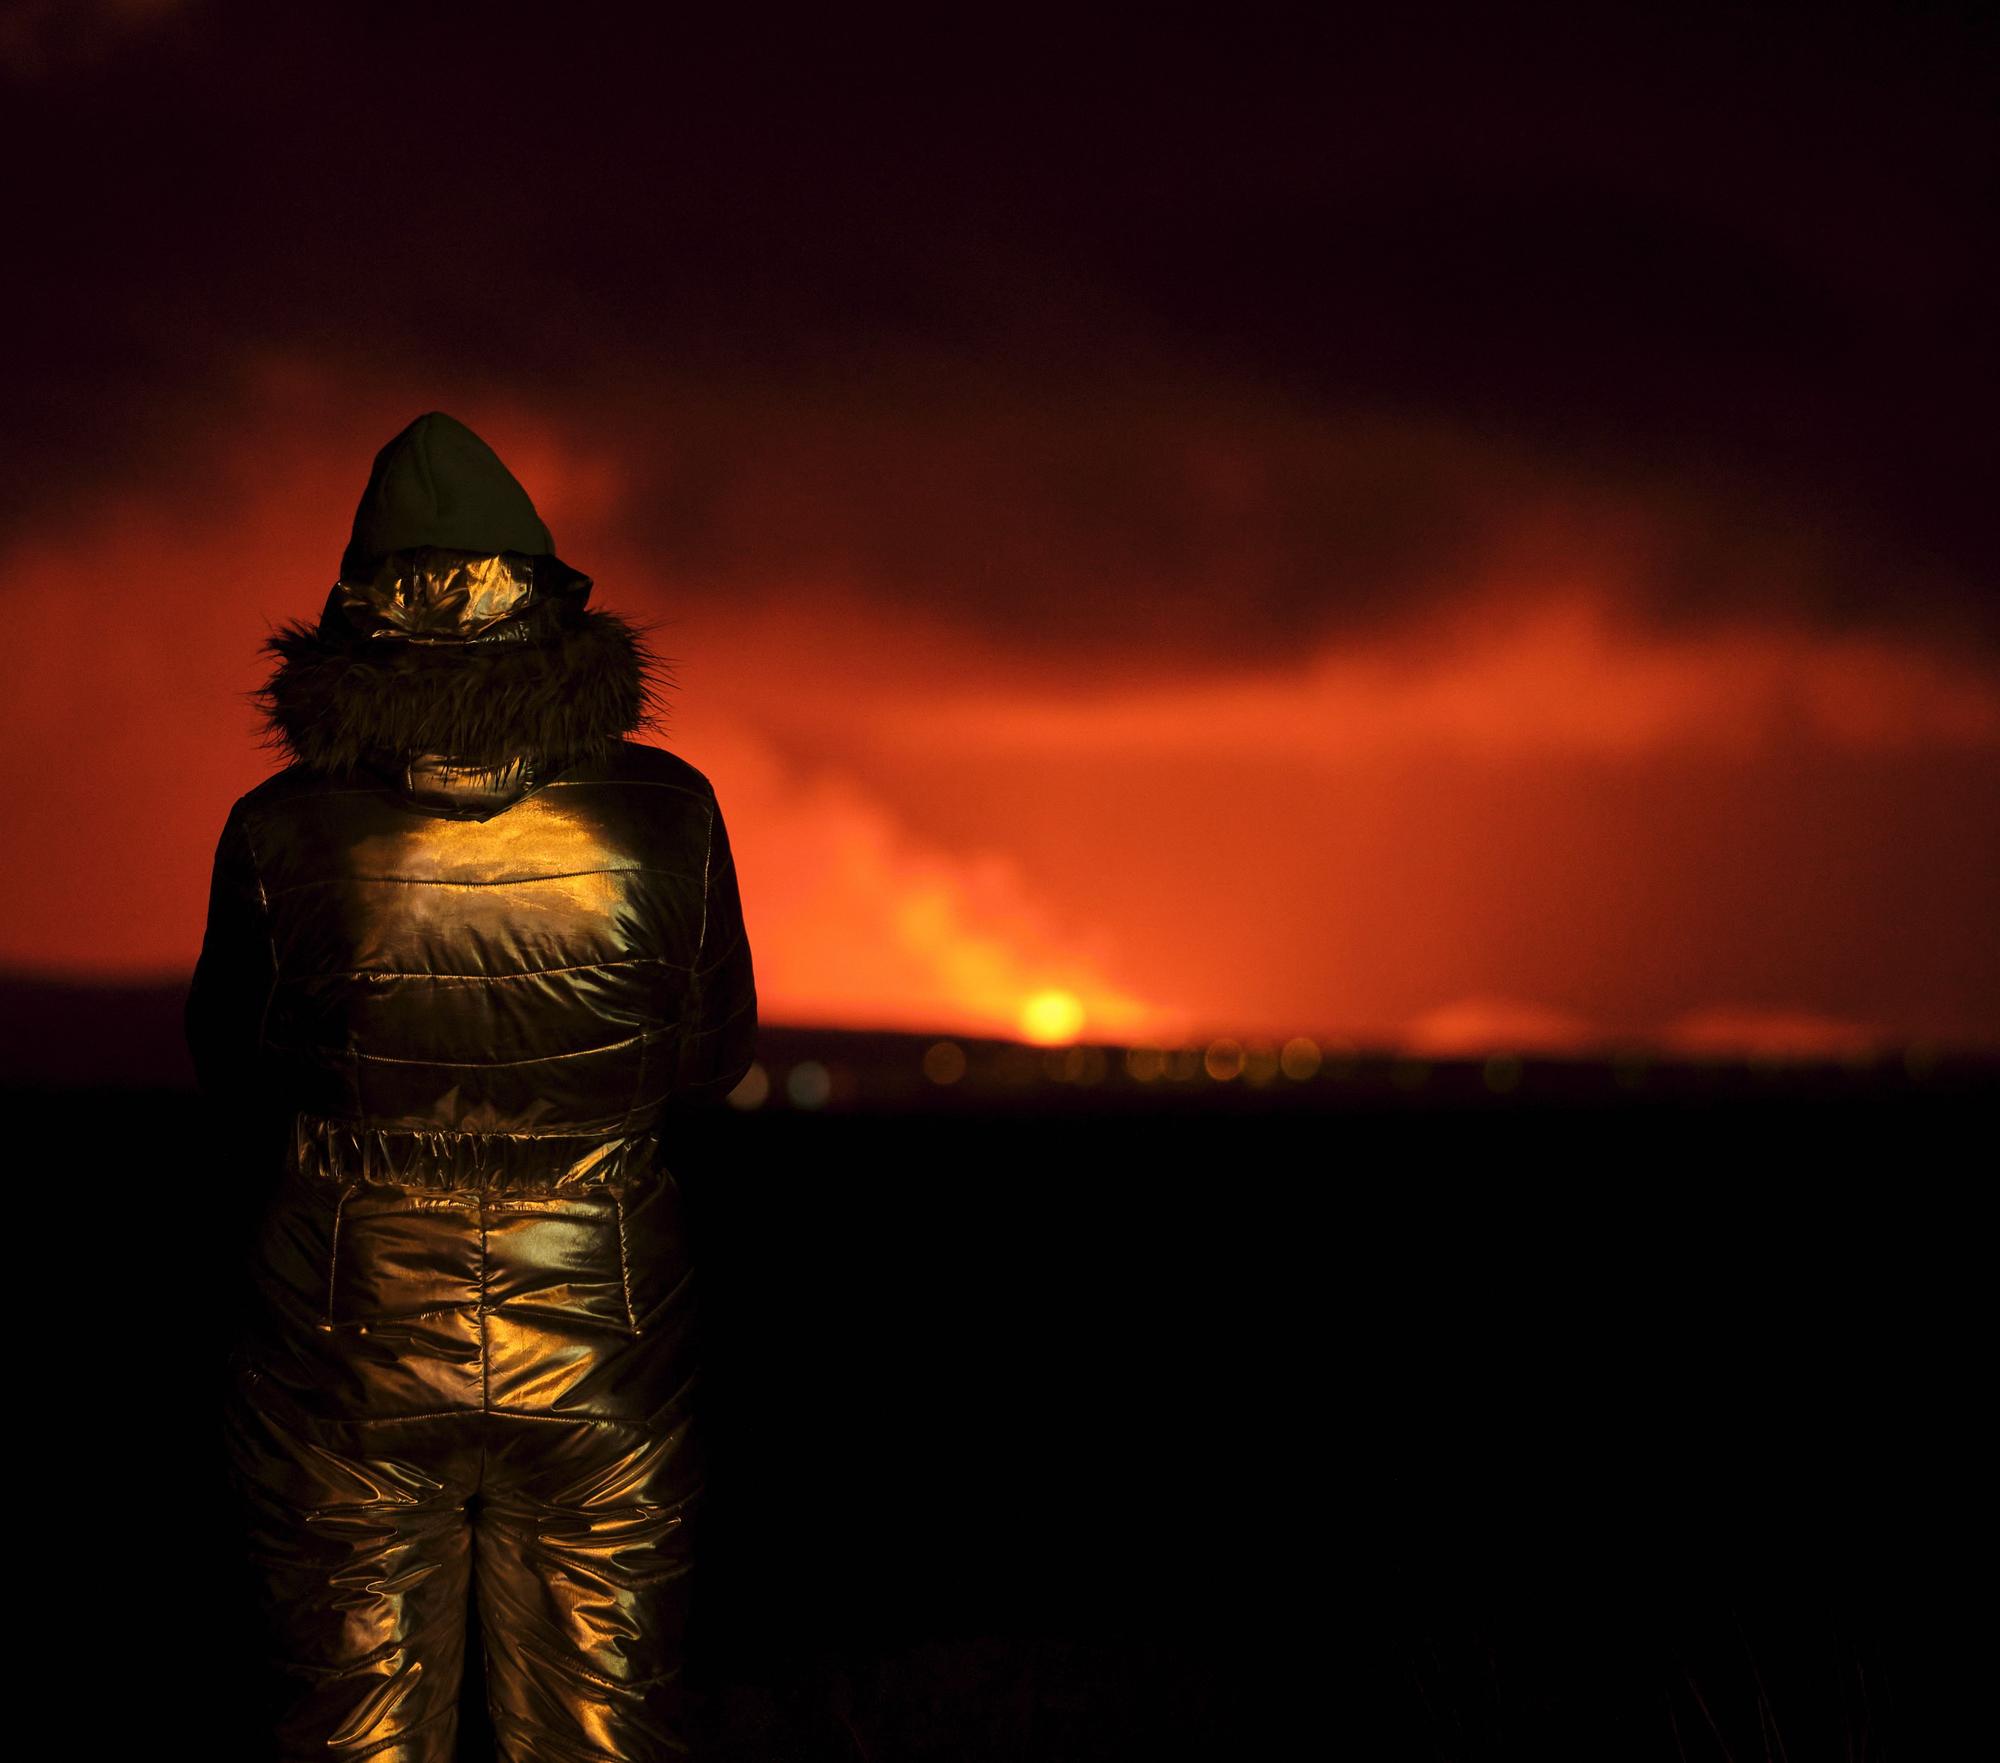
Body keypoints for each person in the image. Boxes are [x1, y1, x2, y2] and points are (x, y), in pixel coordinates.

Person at [188, 410, 758, 1761]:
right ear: (549, 605)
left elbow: (233, 1059)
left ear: (353, 612)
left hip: (348, 1335)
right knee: (601, 1732)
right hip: (605, 1336)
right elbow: (714, 1056)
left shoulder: (280, 830)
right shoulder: (669, 816)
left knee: (353, 1731)